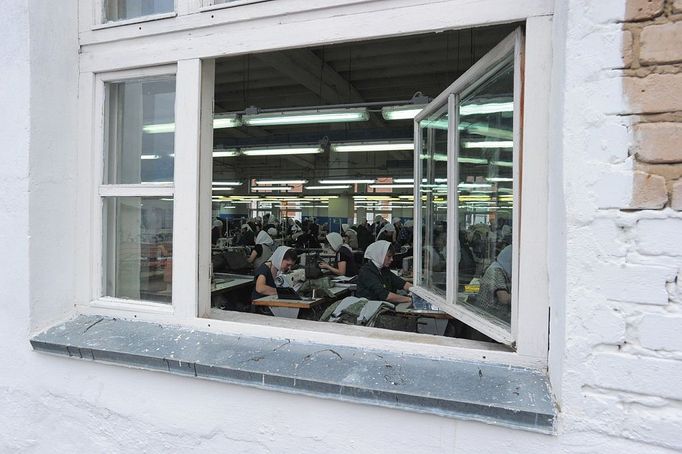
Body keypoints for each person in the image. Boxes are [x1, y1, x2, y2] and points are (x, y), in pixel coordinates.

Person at [475, 245, 512, 323]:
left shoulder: (498, 268)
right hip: (487, 318)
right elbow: (504, 299)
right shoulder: (496, 271)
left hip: (489, 315)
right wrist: (523, 298)